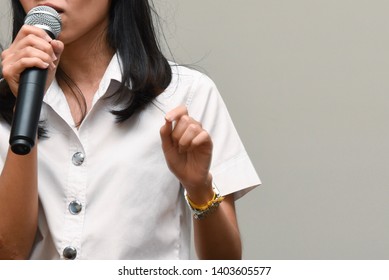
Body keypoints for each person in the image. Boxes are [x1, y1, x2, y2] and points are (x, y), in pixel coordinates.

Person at [0, 0, 260, 260]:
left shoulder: (187, 95)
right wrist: (26, 110)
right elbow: (8, 257)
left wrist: (200, 188)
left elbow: (225, 265)